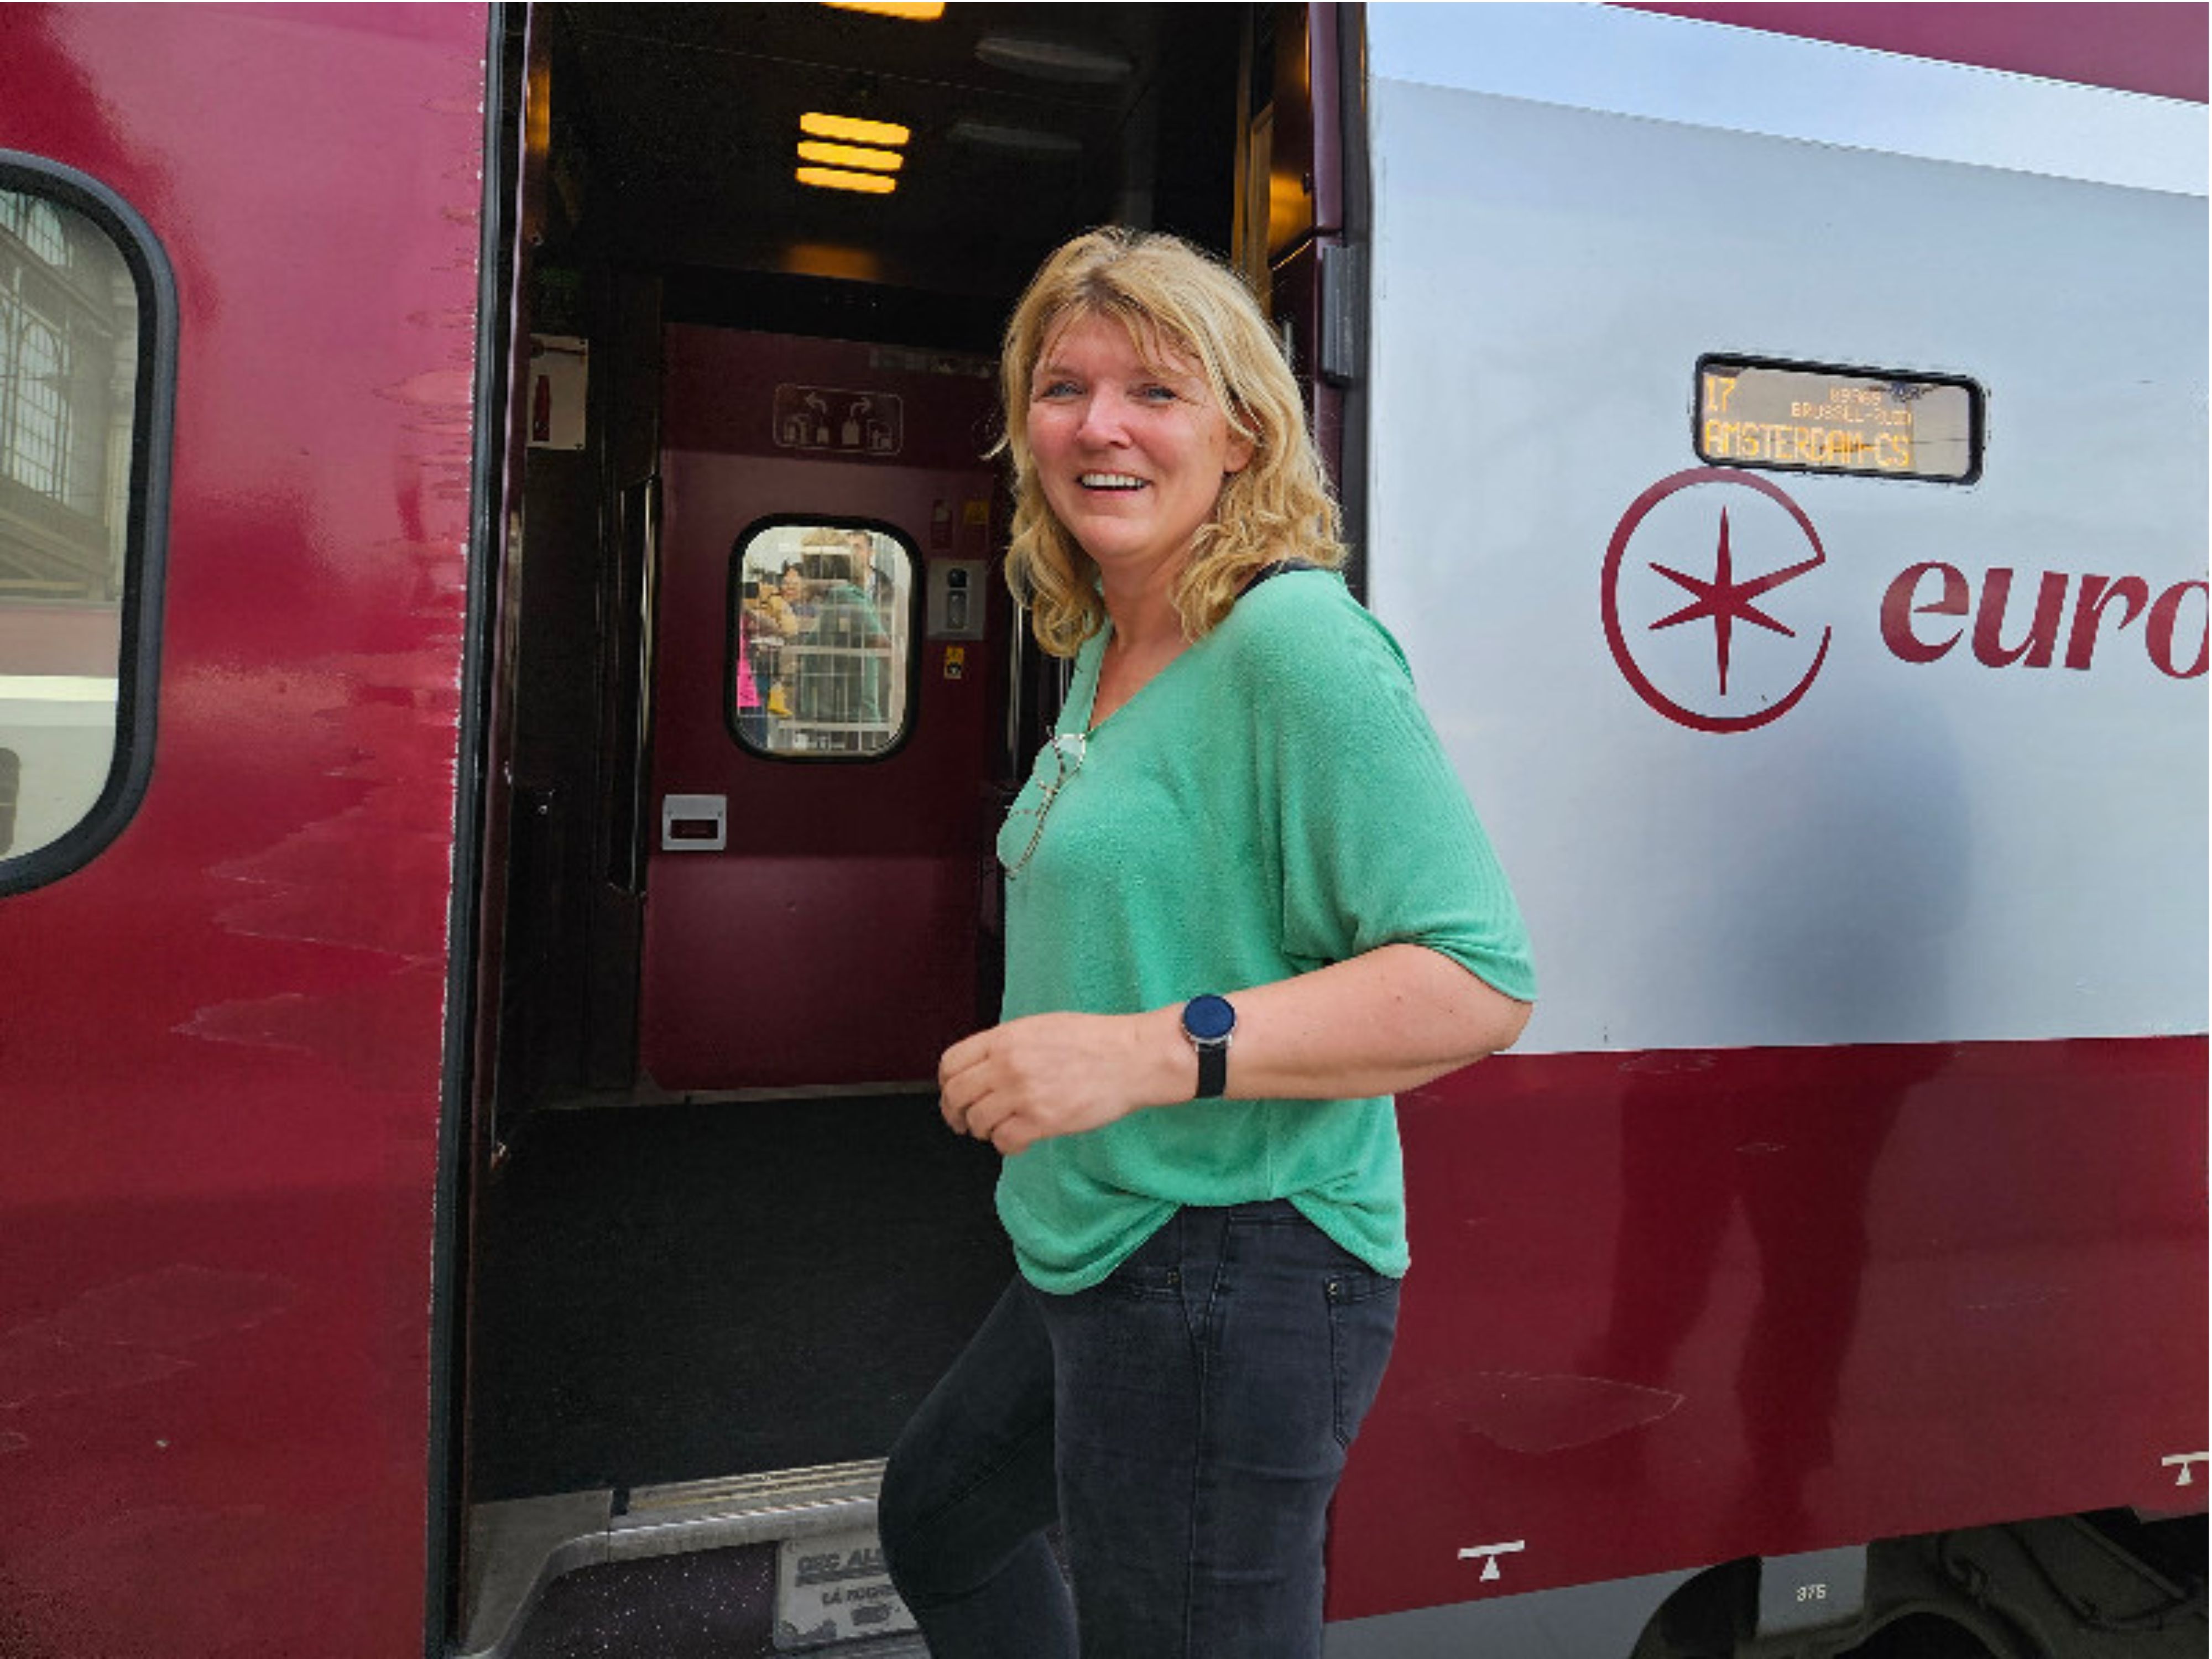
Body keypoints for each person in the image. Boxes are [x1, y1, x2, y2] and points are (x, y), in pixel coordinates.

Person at [877, 227, 1536, 1659]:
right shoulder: (1113, 643)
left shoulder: (1290, 644)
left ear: (1242, 434)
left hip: (1236, 1270)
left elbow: (1476, 980)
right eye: (1064, 387)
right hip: (1095, 1239)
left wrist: (1139, 1053)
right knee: (936, 1518)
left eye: (1156, 392)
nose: (1100, 425)